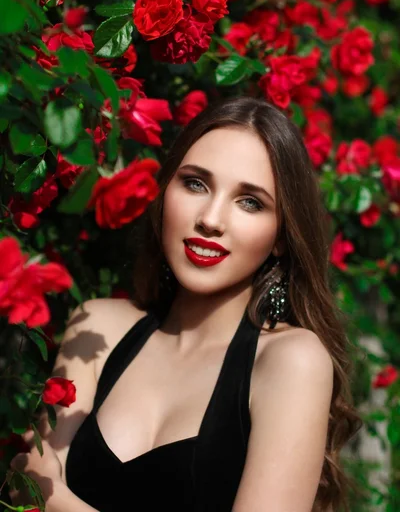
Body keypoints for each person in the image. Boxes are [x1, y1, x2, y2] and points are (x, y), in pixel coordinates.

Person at [10, 96, 362, 512]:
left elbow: (43, 492)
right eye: (196, 183)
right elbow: (24, 487)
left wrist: (58, 501)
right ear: (165, 192)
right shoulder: (98, 326)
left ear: (282, 238)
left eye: (250, 202)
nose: (211, 219)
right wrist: (40, 491)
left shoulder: (291, 361)